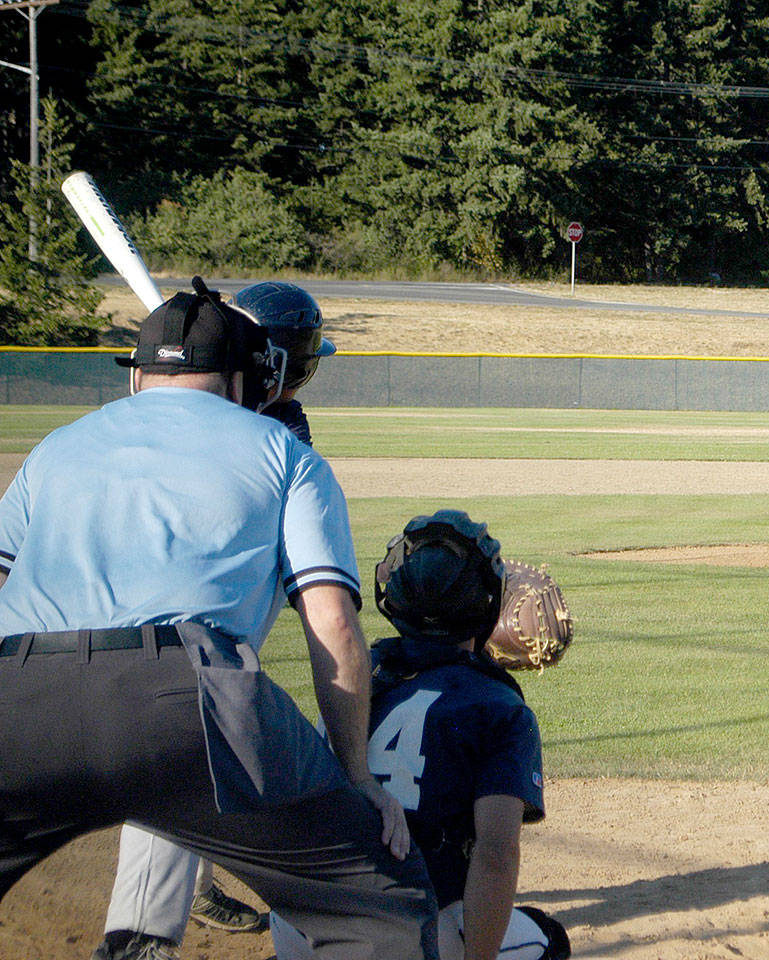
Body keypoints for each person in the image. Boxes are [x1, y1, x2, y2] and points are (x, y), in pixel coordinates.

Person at [0, 279, 439, 960]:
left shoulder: (56, 445)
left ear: (137, 374)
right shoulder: (285, 454)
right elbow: (333, 626)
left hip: (15, 694)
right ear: (243, 376)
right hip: (184, 691)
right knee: (384, 907)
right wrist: (356, 779)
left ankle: (143, 929)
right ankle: (140, 939)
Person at [96, 281, 339, 960]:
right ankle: (138, 933)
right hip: (172, 625)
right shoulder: (241, 417)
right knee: (182, 745)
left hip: (213, 621)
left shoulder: (280, 426)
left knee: (199, 749)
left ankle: (185, 881)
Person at [271, 510, 571, 960]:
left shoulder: (356, 675)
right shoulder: (501, 709)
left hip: (304, 921)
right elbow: (497, 854)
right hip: (406, 933)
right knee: (548, 940)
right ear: (486, 605)